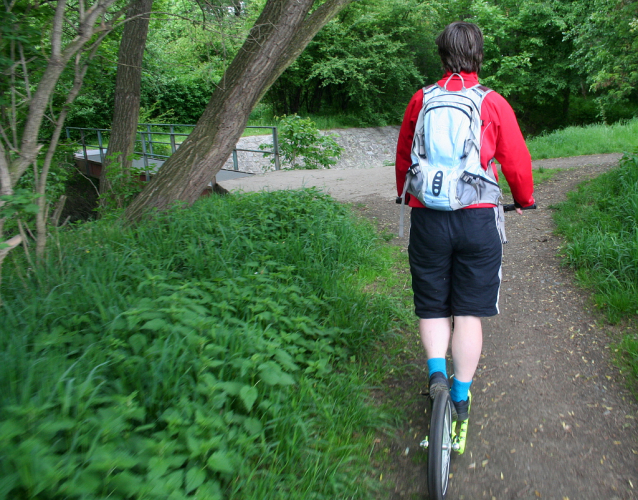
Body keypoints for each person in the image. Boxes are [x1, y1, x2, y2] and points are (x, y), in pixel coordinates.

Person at [395, 21, 535, 421]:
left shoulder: (420, 99)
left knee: (433, 307)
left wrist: (406, 196)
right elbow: (516, 161)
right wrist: (524, 199)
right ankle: (458, 398)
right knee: (469, 312)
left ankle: (436, 373)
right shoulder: (492, 102)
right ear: (479, 55)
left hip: (428, 220)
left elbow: (405, 156)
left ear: (441, 54)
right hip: (477, 222)